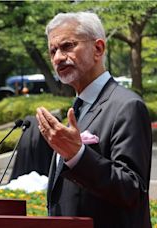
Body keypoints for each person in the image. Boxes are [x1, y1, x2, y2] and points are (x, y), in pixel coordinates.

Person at [36, 12, 151, 227]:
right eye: (53, 51)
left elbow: (131, 190)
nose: (58, 57)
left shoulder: (126, 106)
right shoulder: (77, 109)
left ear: (98, 48)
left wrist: (77, 155)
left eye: (67, 46)